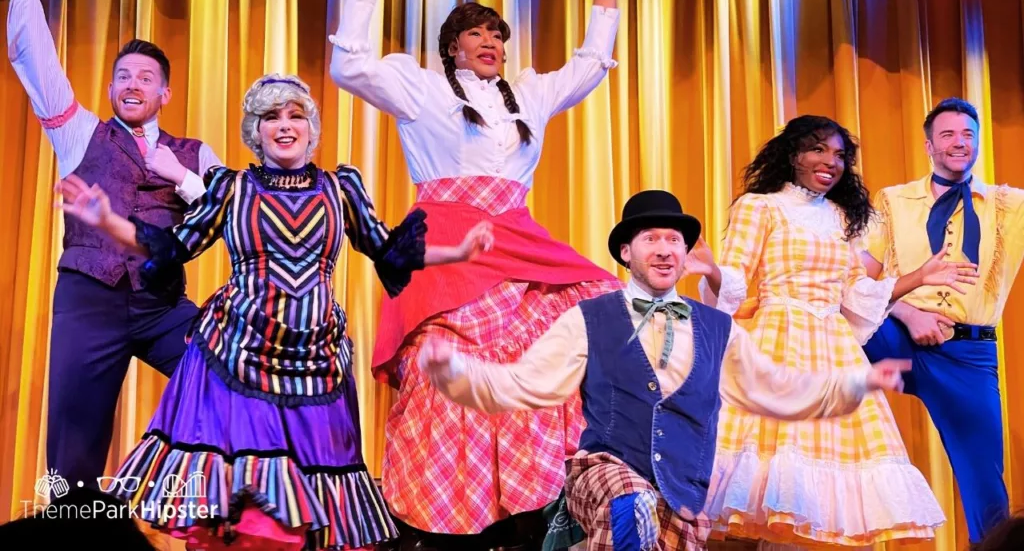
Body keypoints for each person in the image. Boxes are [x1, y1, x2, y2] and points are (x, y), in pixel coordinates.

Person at [56, 73, 495, 550]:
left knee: (304, 516)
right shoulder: (230, 188)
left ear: (311, 127)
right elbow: (172, 246)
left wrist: (459, 252)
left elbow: (389, 251)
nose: (285, 126)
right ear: (255, 131)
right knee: (242, 516)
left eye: (295, 115)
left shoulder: (340, 187)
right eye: (271, 117)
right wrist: (108, 223)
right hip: (237, 355)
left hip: (315, 364)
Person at [418, 188, 916, 551]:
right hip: (607, 473)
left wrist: (858, 381)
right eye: (650, 238)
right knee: (629, 509)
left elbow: (780, 391)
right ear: (625, 252)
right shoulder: (591, 319)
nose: (664, 249)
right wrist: (452, 371)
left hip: (682, 490)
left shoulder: (718, 329)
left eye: (674, 240)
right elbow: (522, 385)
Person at [329, 0, 625, 543]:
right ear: (452, 47)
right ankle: (432, 524)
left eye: (497, 34)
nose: (489, 41)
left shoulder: (531, 95)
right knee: (442, 370)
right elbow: (350, 68)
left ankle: (531, 508)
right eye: (475, 33)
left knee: (579, 328)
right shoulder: (422, 89)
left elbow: (590, 64)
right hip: (445, 241)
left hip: (517, 241)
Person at [1, 0, 222, 491]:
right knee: (70, 460)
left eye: (146, 77)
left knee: (227, 375)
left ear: (165, 94)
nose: (133, 83)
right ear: (110, 86)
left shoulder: (195, 153)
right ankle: (75, 529)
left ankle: (224, 510)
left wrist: (183, 177)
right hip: (88, 299)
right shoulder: (79, 134)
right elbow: (34, 60)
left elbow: (226, 216)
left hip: (160, 304)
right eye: (123, 75)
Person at [696, 115, 976, 547]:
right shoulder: (760, 206)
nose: (831, 161)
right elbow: (734, 280)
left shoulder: (841, 218)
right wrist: (712, 271)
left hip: (832, 349)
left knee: (816, 504)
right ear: (793, 156)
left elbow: (857, 295)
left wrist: (920, 276)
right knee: (750, 490)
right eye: (818, 149)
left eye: (840, 154)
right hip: (777, 341)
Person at [860, 98, 1024, 544]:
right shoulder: (893, 201)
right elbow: (856, 281)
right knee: (824, 325)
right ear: (929, 144)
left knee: (986, 487)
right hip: (895, 338)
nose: (959, 143)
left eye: (967, 135)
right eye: (948, 134)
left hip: (968, 354)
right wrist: (907, 312)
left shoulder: (1010, 206)